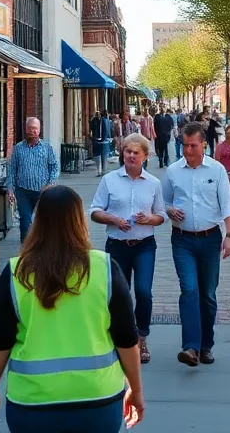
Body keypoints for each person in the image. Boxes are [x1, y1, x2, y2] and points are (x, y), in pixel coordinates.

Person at [0, 186, 145, 432]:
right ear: (79, 220)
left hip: (32, 401)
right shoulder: (105, 268)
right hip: (97, 399)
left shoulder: (16, 272)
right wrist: (136, 390)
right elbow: (127, 338)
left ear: (38, 220)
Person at [161, 122, 230, 366]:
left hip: (210, 239)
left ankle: (206, 346)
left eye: (193, 146)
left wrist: (229, 235)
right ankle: (190, 348)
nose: (188, 150)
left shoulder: (216, 170)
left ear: (204, 144)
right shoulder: (173, 172)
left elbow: (227, 205)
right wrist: (169, 210)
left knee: (208, 294)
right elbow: (160, 203)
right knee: (189, 290)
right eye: (185, 145)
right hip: (182, 240)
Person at [90, 133, 166, 364]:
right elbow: (94, 211)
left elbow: (162, 215)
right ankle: (120, 339)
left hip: (144, 246)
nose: (131, 156)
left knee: (143, 292)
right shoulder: (109, 180)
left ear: (145, 156)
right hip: (117, 246)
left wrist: (150, 219)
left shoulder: (153, 183)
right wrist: (113, 219)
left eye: (136, 152)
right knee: (119, 295)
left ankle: (141, 337)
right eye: (127, 151)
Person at [6, 117, 60, 243]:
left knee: (44, 220)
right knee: (25, 220)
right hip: (23, 190)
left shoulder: (47, 148)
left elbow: (54, 166)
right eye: (30, 128)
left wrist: (50, 184)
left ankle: (45, 247)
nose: (32, 131)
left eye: (35, 129)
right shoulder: (18, 148)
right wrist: (10, 189)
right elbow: (12, 170)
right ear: (26, 129)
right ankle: (25, 250)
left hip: (43, 191)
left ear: (39, 130)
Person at [91, 110, 112, 177]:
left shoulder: (101, 121)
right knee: (105, 157)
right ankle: (104, 170)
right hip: (107, 141)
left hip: (100, 141)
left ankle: (99, 171)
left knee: (98, 156)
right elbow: (110, 130)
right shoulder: (108, 121)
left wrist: (98, 138)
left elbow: (100, 130)